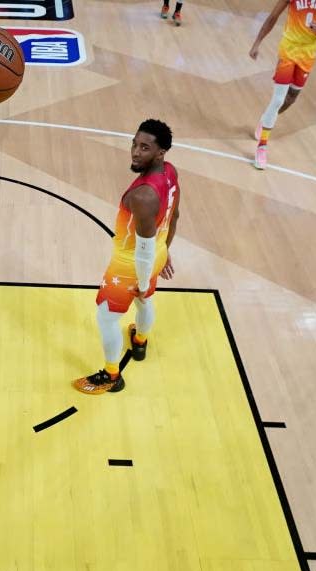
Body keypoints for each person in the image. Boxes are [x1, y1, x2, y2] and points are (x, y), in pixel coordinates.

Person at [73, 119, 181, 395]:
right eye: (134, 144)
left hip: (132, 264)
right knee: (146, 301)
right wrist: (165, 250)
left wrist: (142, 280)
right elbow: (173, 216)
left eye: (145, 147)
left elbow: (142, 249)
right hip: (156, 253)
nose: (135, 151)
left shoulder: (144, 195)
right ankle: (141, 341)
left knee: (106, 318)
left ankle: (111, 375)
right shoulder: (170, 173)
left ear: (160, 152)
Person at [249, 0, 316, 169]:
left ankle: (265, 120)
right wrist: (257, 42)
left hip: (308, 53)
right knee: (278, 99)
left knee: (290, 99)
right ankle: (262, 147)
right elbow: (273, 17)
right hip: (289, 48)